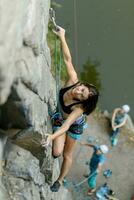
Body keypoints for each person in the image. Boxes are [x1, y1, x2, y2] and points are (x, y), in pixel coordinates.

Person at [41, 26, 99, 192]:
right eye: (81, 89)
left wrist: (51, 136)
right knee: (56, 152)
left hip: (73, 124)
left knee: (65, 154)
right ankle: (57, 133)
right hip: (62, 117)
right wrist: (62, 37)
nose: (78, 92)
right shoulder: (73, 80)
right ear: (81, 84)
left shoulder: (79, 108)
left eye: (81, 95)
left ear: (82, 102)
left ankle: (60, 179)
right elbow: (67, 59)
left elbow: (67, 126)